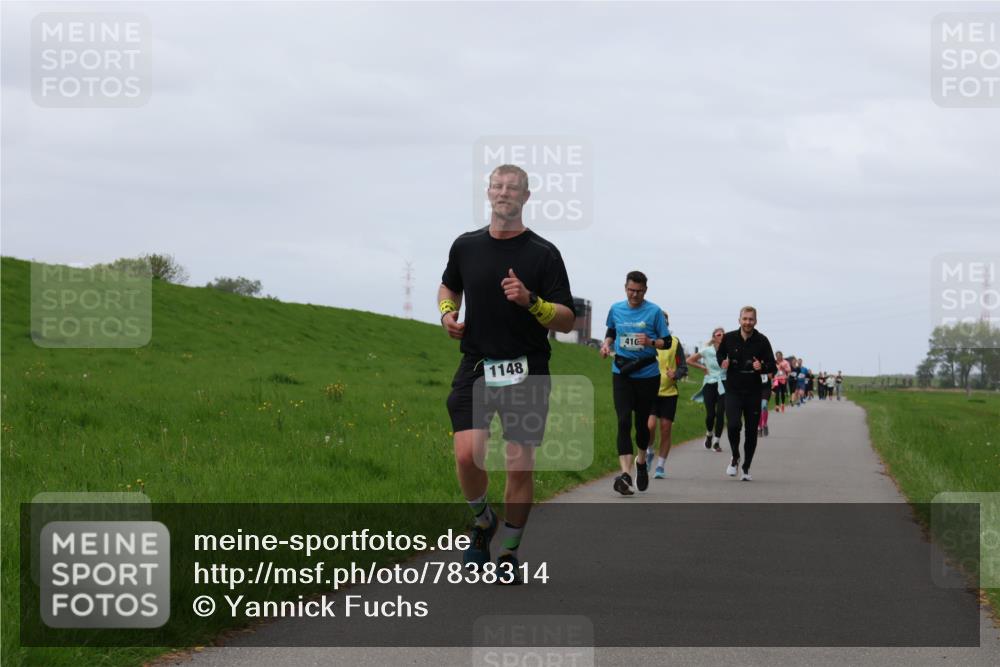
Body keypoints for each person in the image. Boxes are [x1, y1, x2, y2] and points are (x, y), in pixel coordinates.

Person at [439, 164, 576, 580]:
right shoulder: (466, 245)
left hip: (527, 369)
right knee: (467, 454)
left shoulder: (543, 254)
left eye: (512, 188)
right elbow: (449, 285)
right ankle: (483, 520)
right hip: (477, 364)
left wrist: (531, 301)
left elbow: (567, 319)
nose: (504, 193)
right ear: (488, 192)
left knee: (519, 464)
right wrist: (447, 313)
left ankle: (509, 554)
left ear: (526, 197)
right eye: (498, 186)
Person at [600, 271, 672, 495]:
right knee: (623, 421)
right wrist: (606, 344)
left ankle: (641, 461)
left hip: (647, 375)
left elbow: (667, 342)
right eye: (631, 290)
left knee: (642, 425)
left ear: (645, 291)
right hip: (622, 372)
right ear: (625, 288)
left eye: (639, 291)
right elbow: (612, 330)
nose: (634, 295)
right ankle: (625, 474)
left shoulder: (654, 311)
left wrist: (650, 341)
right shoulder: (616, 308)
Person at [716, 306, 777, 481]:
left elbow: (772, 366)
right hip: (733, 390)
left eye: (751, 319)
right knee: (733, 425)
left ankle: (746, 467)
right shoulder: (729, 338)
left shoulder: (762, 341)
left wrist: (761, 367)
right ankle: (735, 456)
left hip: (753, 392)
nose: (748, 322)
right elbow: (720, 355)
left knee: (751, 431)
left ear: (755, 321)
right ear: (739, 320)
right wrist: (723, 362)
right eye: (745, 319)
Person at [646, 311, 688, 479]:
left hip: (669, 393)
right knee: (649, 426)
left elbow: (684, 367)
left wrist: (676, 374)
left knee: (665, 428)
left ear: (667, 324)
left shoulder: (675, 342)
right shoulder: (647, 341)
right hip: (650, 391)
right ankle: (649, 451)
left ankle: (660, 466)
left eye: (663, 321)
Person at [688, 327, 726, 452]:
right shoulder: (707, 350)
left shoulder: (728, 351)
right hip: (710, 383)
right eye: (719, 334)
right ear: (714, 337)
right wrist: (703, 368)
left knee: (720, 413)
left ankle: (716, 442)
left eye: (723, 334)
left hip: (724, 384)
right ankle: (709, 434)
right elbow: (689, 360)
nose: (722, 336)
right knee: (711, 414)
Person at [758, 373, 773, 437]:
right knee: (758, 408)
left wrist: (770, 374)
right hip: (756, 389)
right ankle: (759, 427)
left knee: (764, 405)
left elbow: (773, 374)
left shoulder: (768, 366)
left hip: (766, 388)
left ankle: (765, 424)